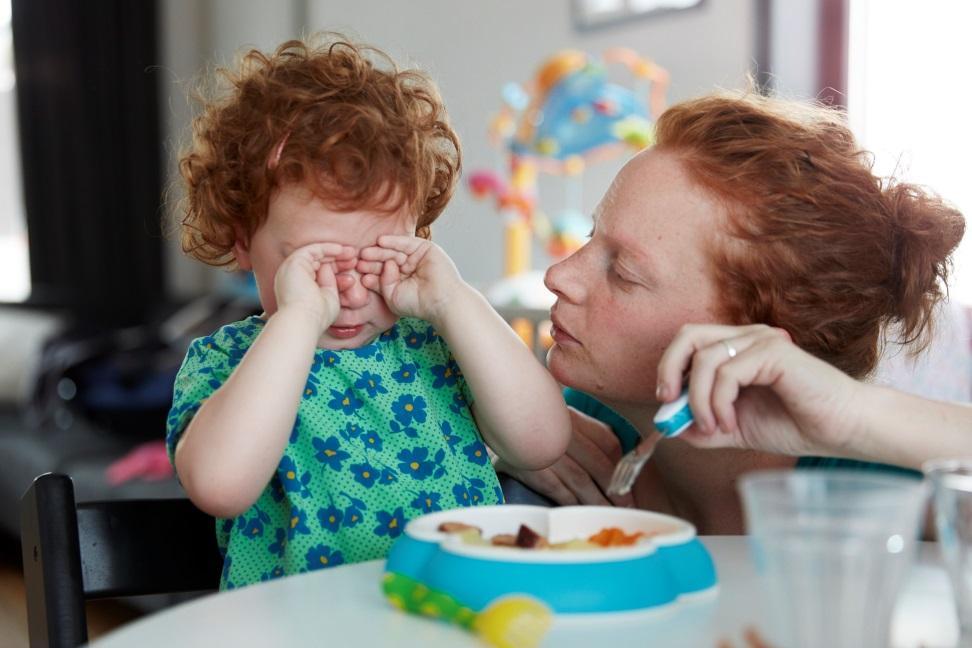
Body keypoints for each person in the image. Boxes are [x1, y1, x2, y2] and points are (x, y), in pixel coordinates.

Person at [168, 36, 570, 589]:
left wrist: (455, 301)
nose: (351, 294)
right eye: (318, 264)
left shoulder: (439, 343)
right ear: (242, 241)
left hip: (460, 616)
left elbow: (543, 442)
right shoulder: (229, 361)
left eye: (378, 258)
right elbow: (219, 485)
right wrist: (297, 320)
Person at [497, 91, 967, 533]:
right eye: (590, 237)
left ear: (751, 338)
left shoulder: (888, 498)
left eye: (623, 271)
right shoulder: (576, 434)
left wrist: (851, 416)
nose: (558, 275)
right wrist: (475, 443)